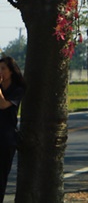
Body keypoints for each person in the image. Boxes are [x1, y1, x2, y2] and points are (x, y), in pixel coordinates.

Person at [0, 56, 25, 203]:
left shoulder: (17, 89)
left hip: (6, 138)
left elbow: (3, 105)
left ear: (11, 71)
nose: (0, 72)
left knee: (1, 176)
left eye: (3, 69)